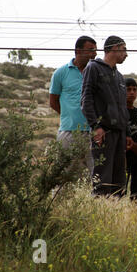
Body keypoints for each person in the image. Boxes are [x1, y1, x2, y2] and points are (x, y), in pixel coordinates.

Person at [81, 35, 133, 197]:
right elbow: (86, 100)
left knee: (118, 181)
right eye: (124, 49)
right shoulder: (93, 68)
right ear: (114, 48)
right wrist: (96, 127)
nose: (126, 54)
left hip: (119, 134)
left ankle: (115, 216)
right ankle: (99, 212)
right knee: (102, 179)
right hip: (104, 133)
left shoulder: (119, 76)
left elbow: (122, 108)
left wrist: (128, 134)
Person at [49, 35, 97, 174]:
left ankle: (98, 197)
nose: (94, 54)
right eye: (90, 50)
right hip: (68, 132)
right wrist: (70, 116)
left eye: (95, 51)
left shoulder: (96, 73)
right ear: (78, 51)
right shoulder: (61, 73)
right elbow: (53, 101)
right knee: (63, 174)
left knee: (97, 175)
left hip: (93, 132)